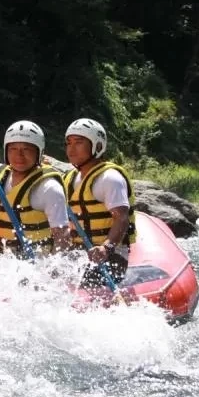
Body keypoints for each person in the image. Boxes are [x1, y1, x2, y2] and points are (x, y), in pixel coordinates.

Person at [63, 118, 137, 287]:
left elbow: (122, 219)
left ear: (97, 146)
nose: (71, 149)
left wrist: (106, 248)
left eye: (79, 143)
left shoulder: (110, 178)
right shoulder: (70, 178)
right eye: (69, 143)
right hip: (79, 252)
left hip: (111, 255)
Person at [0, 120, 71, 257]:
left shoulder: (49, 187)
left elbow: (62, 238)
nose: (19, 155)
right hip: (1, 257)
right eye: (13, 149)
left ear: (39, 152)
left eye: (26, 149)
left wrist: (53, 274)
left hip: (36, 263)